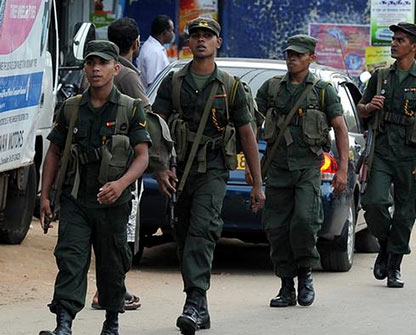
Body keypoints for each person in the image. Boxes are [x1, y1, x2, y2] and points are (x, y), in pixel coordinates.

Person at [151, 17, 265, 334]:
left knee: (202, 231)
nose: (201, 40)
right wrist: (160, 167)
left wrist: (257, 184)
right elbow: (154, 126)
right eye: (196, 35)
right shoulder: (173, 82)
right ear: (188, 43)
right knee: (184, 235)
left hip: (213, 169)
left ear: (218, 43)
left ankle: (194, 302)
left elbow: (247, 135)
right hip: (179, 168)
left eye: (207, 35)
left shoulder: (230, 87)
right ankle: (198, 305)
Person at [39, 40, 151, 335]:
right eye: (90, 63)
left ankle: (111, 321)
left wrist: (121, 183)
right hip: (76, 199)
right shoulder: (71, 108)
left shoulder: (130, 109)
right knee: (70, 259)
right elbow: (54, 152)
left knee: (112, 263)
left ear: (116, 68)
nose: (95, 69)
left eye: (102, 63)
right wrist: (45, 195)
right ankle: (63, 324)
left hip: (113, 203)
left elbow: (142, 156)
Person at [255, 34, 349, 308]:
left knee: (305, 223)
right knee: (277, 228)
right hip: (277, 169)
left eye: (298, 54)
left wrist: (342, 169)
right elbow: (248, 125)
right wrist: (251, 167)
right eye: (289, 54)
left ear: (311, 57)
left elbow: (341, 129)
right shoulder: (271, 89)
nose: (292, 58)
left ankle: (306, 274)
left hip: (308, 168)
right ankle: (286, 285)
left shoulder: (322, 90)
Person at [357, 22, 416, 288]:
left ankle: (394, 264)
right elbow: (361, 109)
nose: (394, 44)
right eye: (393, 39)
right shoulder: (381, 77)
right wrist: (369, 107)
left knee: (407, 212)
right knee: (373, 202)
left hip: (411, 155)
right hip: (382, 152)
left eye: (400, 40)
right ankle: (385, 244)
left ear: (414, 47)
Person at [84, 16, 151, 312]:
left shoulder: (113, 75)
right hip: (117, 174)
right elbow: (147, 126)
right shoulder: (128, 78)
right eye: (92, 63)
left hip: (115, 174)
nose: (96, 69)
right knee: (119, 235)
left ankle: (110, 292)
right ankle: (110, 292)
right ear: (136, 43)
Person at [137, 15, 174, 87]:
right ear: (165, 32)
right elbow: (153, 84)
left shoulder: (152, 47)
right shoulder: (154, 52)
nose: (173, 34)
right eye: (171, 30)